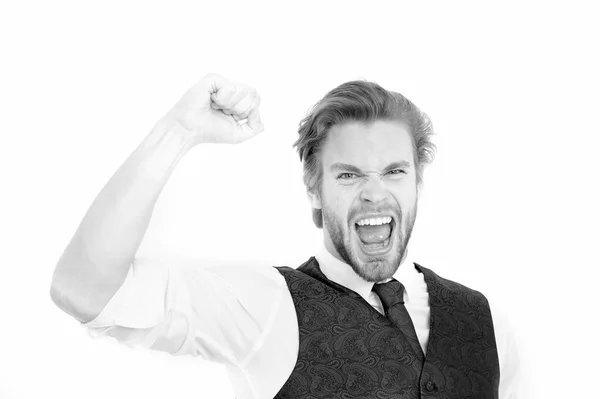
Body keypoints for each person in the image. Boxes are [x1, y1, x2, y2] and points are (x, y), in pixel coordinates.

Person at [50, 74, 519, 398]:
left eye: (394, 171)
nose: (375, 194)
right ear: (314, 191)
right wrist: (179, 130)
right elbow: (83, 290)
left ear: (418, 181)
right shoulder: (267, 306)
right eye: (349, 175)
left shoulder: (483, 320)